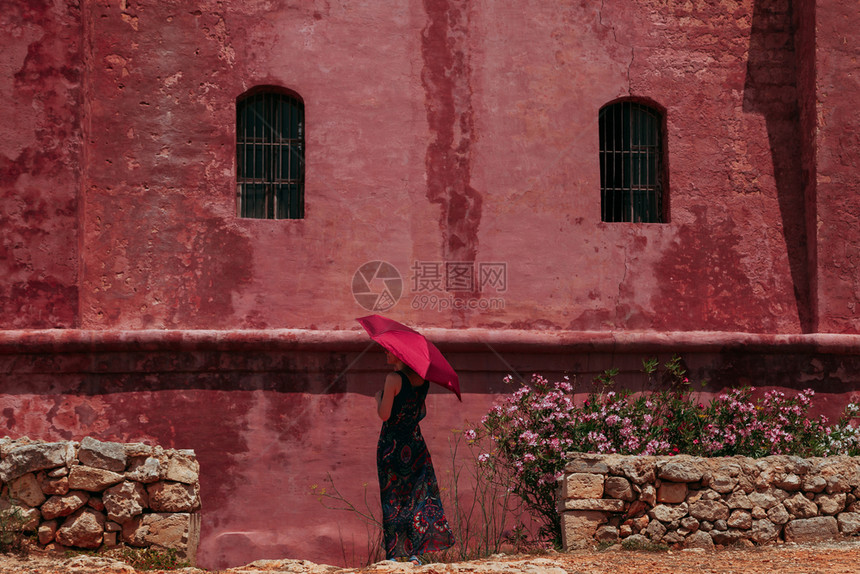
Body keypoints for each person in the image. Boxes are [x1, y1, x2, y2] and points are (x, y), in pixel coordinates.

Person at [375, 350, 455, 564]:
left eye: (390, 351)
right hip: (415, 443)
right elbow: (420, 411)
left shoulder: (392, 379)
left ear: (401, 355)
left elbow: (385, 415)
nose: (385, 353)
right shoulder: (422, 380)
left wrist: (379, 398)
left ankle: (393, 555)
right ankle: (415, 555)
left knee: (392, 496)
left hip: (392, 446)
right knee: (416, 496)